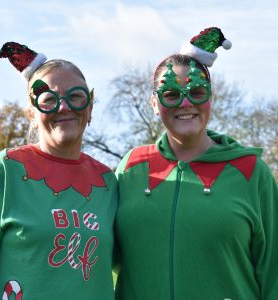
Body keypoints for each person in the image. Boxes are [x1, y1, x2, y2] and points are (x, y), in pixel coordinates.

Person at [115, 27, 278, 299]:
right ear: (154, 103)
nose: (185, 103)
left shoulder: (250, 171)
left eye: (197, 92)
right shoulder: (132, 167)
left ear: (211, 98)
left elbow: (274, 269)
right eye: (170, 95)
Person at [0, 42, 117, 299]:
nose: (63, 107)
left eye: (75, 96)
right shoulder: (5, 170)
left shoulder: (108, 181)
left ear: (90, 108)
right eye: (49, 100)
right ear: (31, 114)